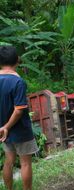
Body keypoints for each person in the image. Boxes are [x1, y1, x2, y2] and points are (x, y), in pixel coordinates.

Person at [0, 46, 39, 190]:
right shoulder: (18, 82)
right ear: (17, 60)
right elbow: (18, 110)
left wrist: (3, 127)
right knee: (25, 163)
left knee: (8, 161)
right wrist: (7, 127)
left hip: (3, 130)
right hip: (18, 129)